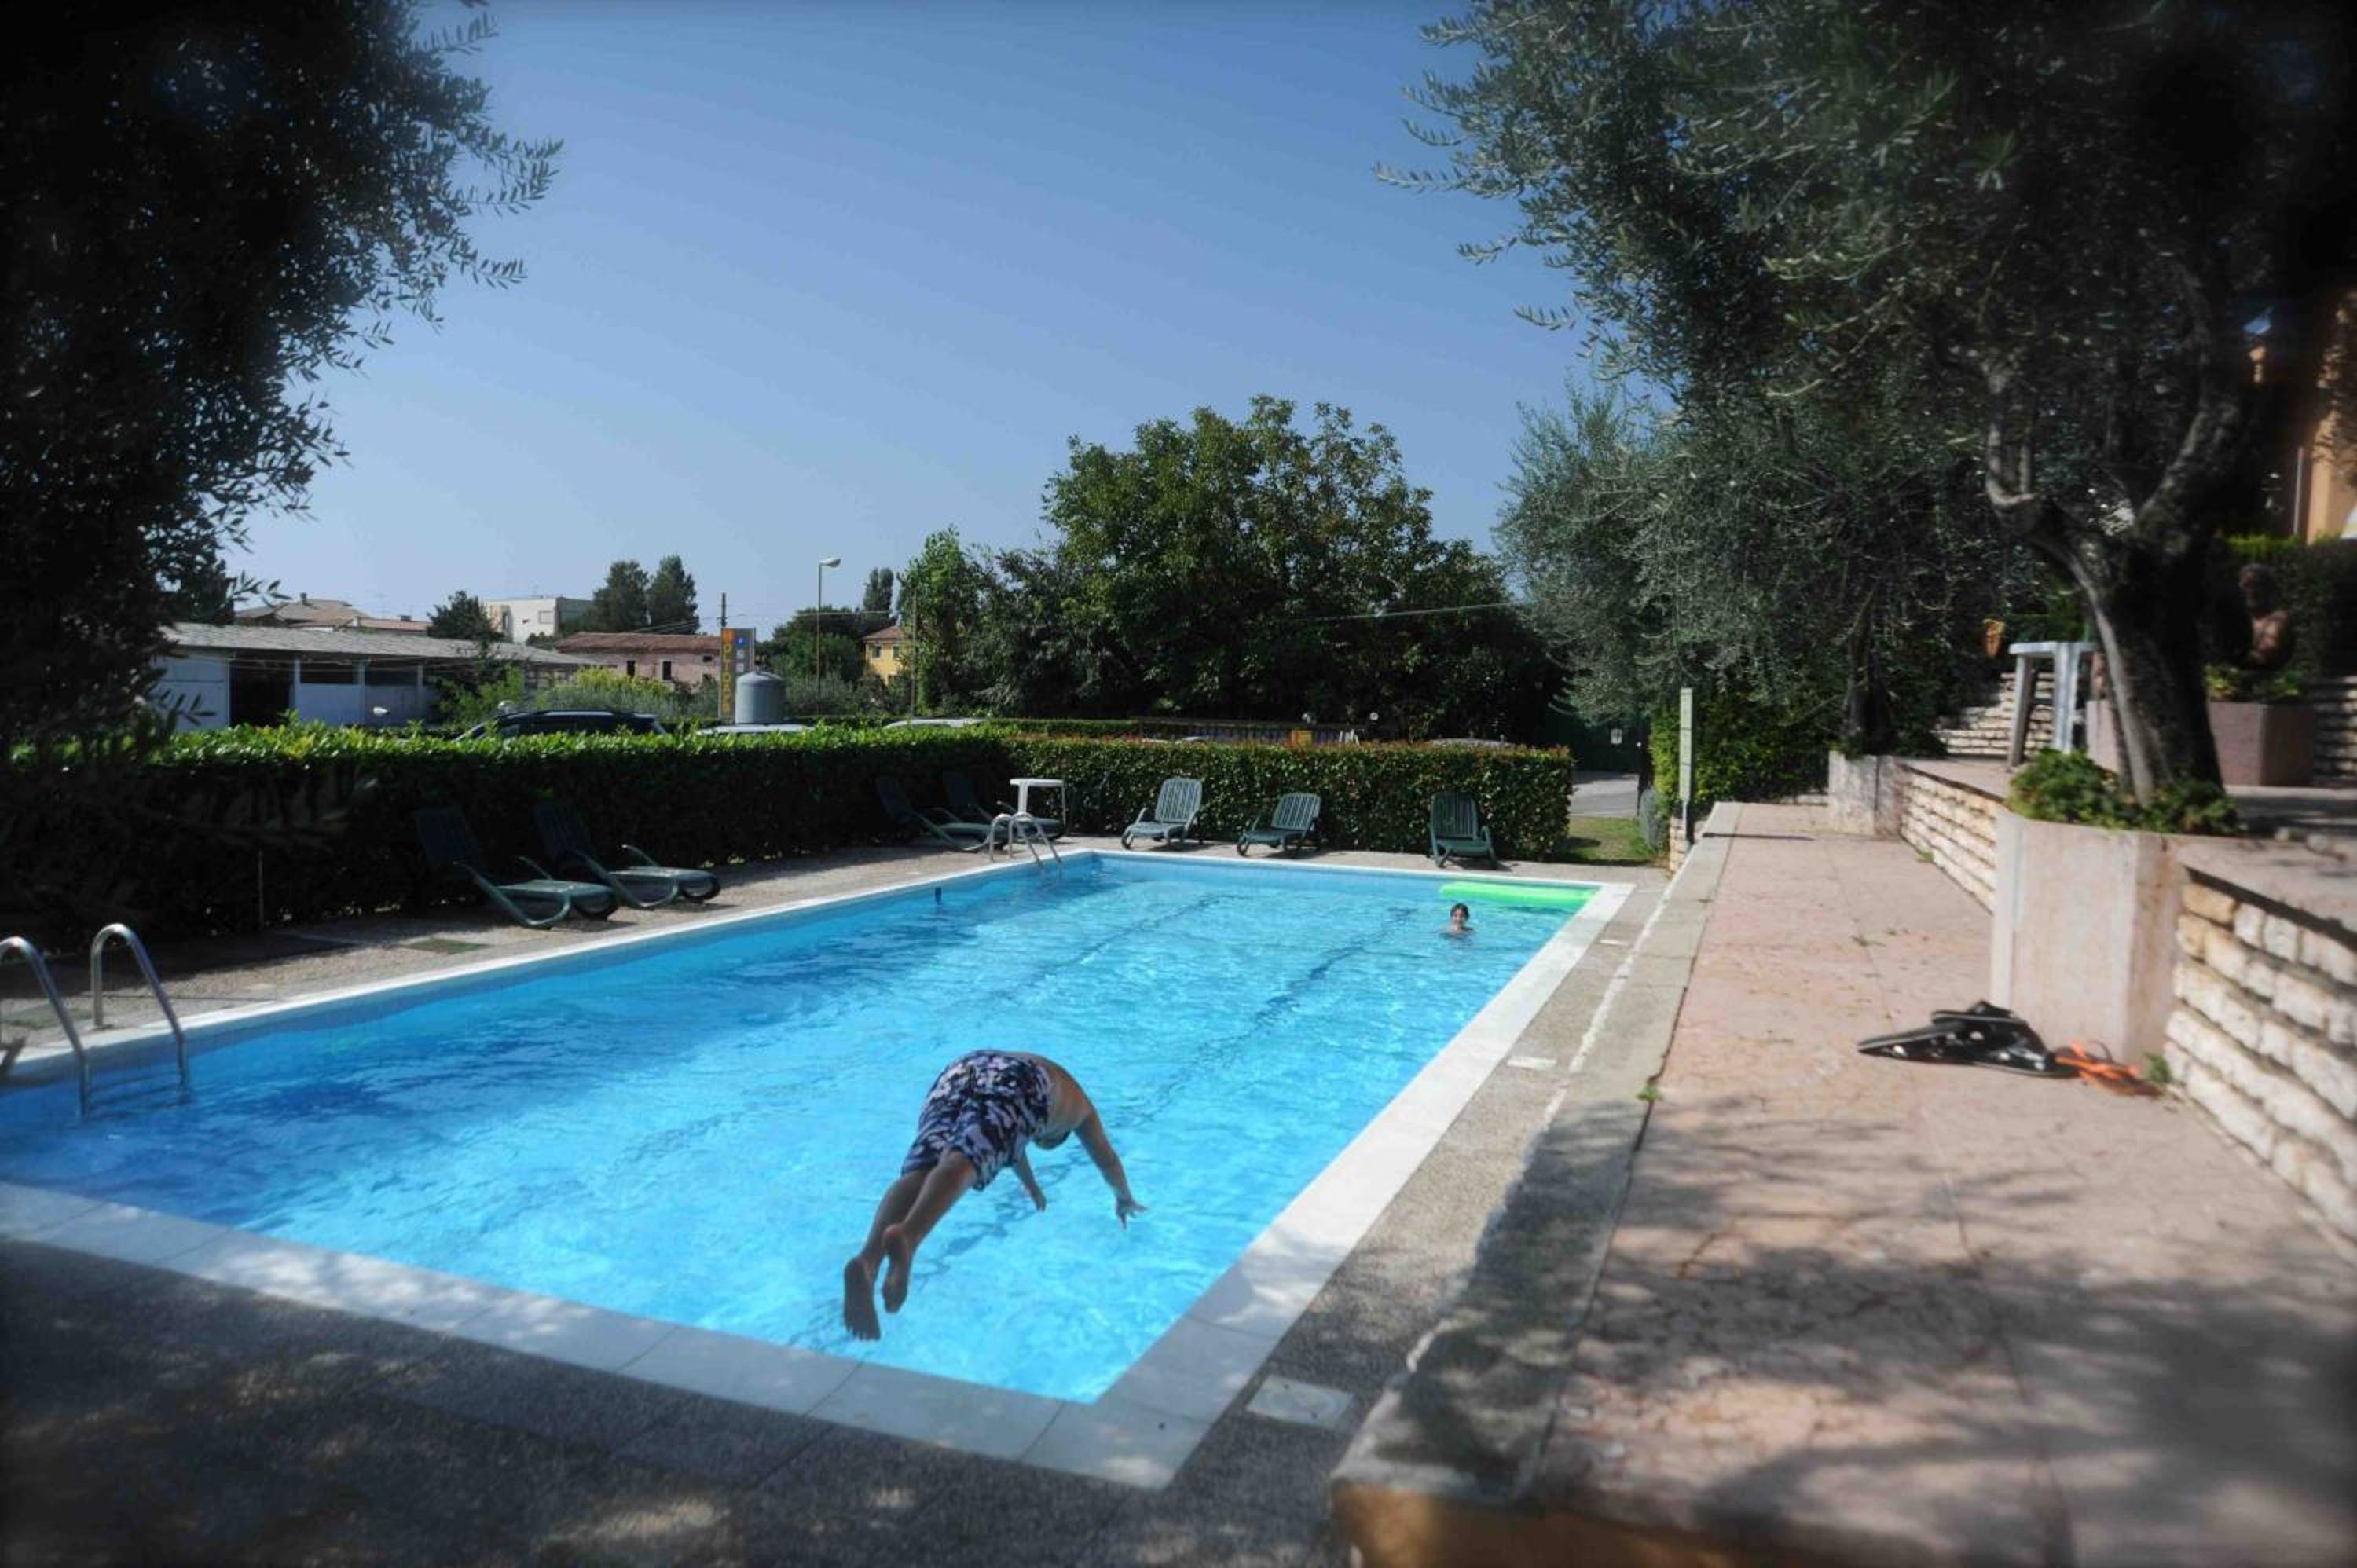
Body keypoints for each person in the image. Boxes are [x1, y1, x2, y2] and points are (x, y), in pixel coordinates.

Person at [842, 1050, 1143, 1340]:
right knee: (964, 1161)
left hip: (963, 1069)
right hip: (1023, 1079)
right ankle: (909, 1236)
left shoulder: (1043, 1104)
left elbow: (1009, 1141)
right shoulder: (1080, 1114)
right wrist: (1124, 1198)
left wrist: (1031, 1186)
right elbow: (1108, 1161)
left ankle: (868, 1261)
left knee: (923, 1168)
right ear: (1056, 1137)